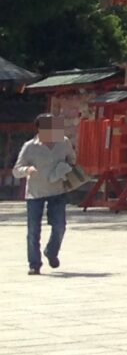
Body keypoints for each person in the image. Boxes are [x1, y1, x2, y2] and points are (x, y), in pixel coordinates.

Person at [14, 117, 84, 276]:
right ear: (40, 130)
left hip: (57, 190)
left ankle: (51, 252)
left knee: (60, 226)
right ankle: (34, 264)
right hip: (35, 192)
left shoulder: (64, 142)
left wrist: (65, 168)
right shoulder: (30, 147)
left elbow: (72, 160)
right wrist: (27, 170)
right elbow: (16, 170)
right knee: (33, 230)